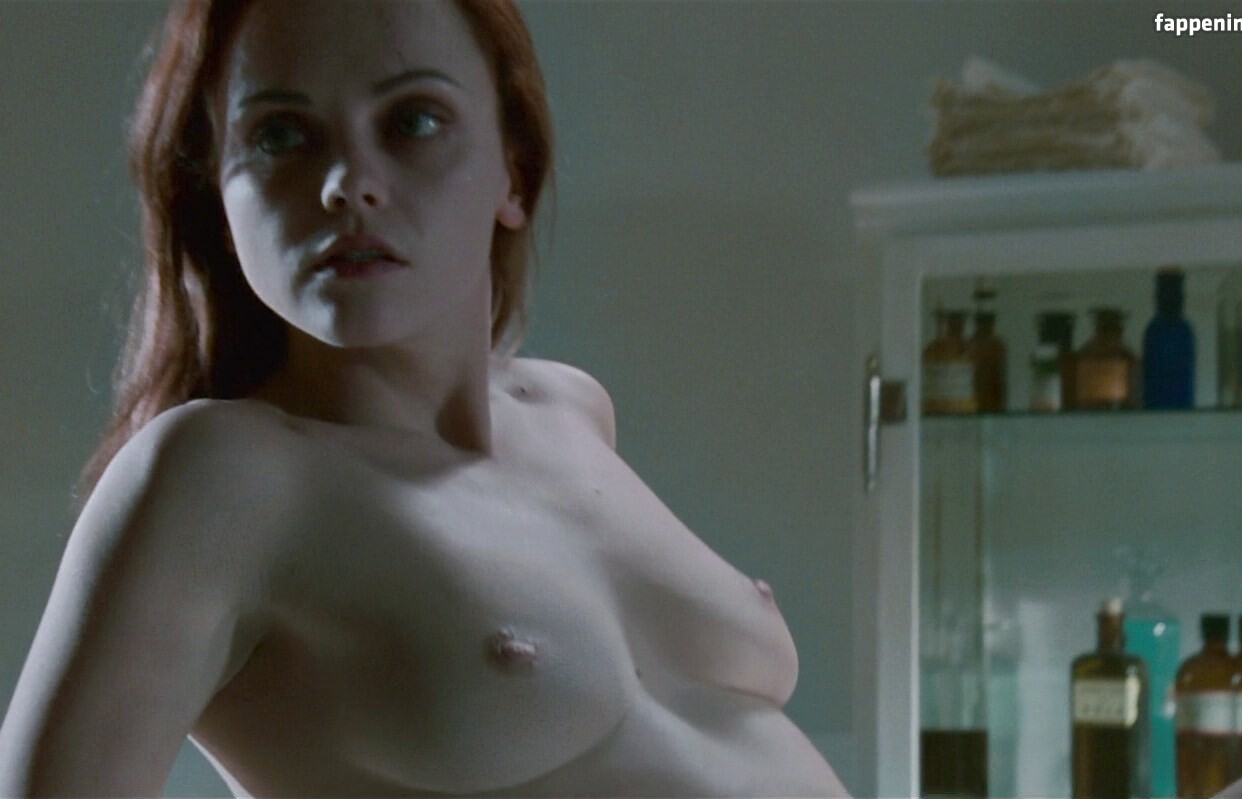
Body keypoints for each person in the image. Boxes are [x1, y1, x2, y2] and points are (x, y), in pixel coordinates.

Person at [0, 1, 850, 796]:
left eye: (412, 121)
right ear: (220, 198)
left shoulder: (569, 409)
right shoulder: (221, 478)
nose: (347, 184)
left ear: (513, 171)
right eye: (280, 134)